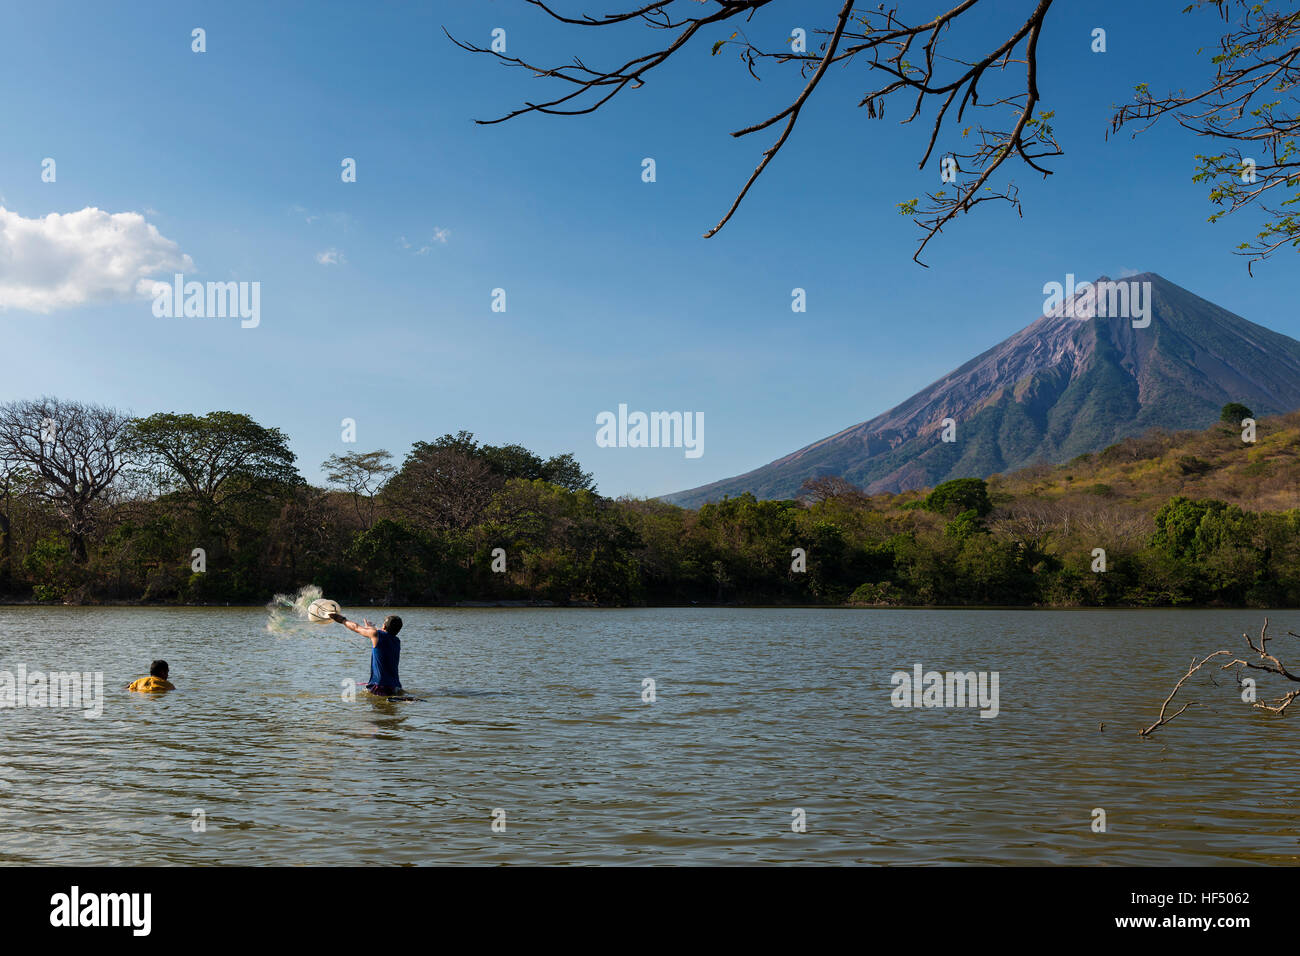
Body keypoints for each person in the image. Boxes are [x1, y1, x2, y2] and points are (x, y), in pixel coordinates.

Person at [331, 612, 402, 696]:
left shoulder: (376, 634)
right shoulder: (397, 641)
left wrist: (342, 620)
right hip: (396, 687)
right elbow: (383, 633)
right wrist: (371, 628)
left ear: (384, 626)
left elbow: (356, 627)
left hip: (380, 686)